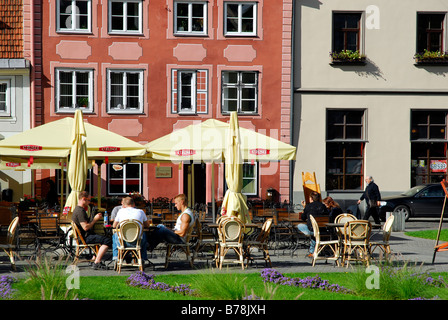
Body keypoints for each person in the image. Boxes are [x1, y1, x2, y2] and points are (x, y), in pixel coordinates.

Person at [71, 191, 112, 270]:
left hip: (83, 237)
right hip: (84, 238)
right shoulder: (80, 211)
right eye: (89, 200)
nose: (89, 202)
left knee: (102, 237)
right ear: (84, 199)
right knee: (107, 240)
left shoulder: (78, 209)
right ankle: (97, 262)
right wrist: (95, 219)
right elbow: (85, 227)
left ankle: (94, 258)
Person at [112, 197, 150, 263]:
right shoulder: (141, 211)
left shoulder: (120, 211)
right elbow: (147, 225)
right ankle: (143, 258)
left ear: (123, 205)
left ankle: (116, 257)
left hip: (123, 242)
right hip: (138, 242)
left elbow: (114, 226)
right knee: (143, 234)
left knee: (115, 234)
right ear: (134, 204)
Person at [298, 191, 328, 258]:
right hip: (322, 229)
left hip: (312, 229)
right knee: (315, 232)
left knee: (299, 225)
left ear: (311, 198)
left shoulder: (308, 206)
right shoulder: (323, 206)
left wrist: (304, 208)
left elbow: (303, 218)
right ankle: (315, 250)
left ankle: (312, 251)